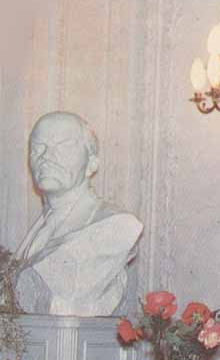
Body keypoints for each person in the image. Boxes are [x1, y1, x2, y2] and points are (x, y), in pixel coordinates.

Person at [14, 111, 143, 316]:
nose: (46, 156)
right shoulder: (38, 228)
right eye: (38, 148)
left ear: (92, 163)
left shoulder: (117, 225)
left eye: (64, 146)